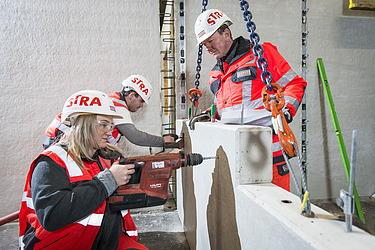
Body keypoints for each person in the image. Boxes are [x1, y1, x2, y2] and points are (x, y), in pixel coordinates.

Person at [193, 9, 307, 191]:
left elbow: (295, 84)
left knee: (275, 206)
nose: (208, 48)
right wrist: (210, 113)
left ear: (226, 33)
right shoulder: (215, 74)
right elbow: (225, 106)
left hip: (269, 149)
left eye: (211, 41)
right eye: (204, 44)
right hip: (235, 150)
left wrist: (285, 113)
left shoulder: (261, 55)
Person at [19, 90, 148, 249]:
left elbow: (128, 181)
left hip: (103, 242)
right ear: (83, 124)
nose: (110, 131)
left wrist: (155, 170)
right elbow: (51, 215)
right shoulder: (50, 162)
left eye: (111, 125)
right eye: (103, 124)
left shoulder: (108, 156)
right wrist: (107, 181)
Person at [42, 75, 175, 150]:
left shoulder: (113, 100)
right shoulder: (117, 105)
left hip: (57, 133)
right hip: (60, 136)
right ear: (132, 95)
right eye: (141, 101)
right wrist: (163, 141)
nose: (140, 106)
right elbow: (136, 137)